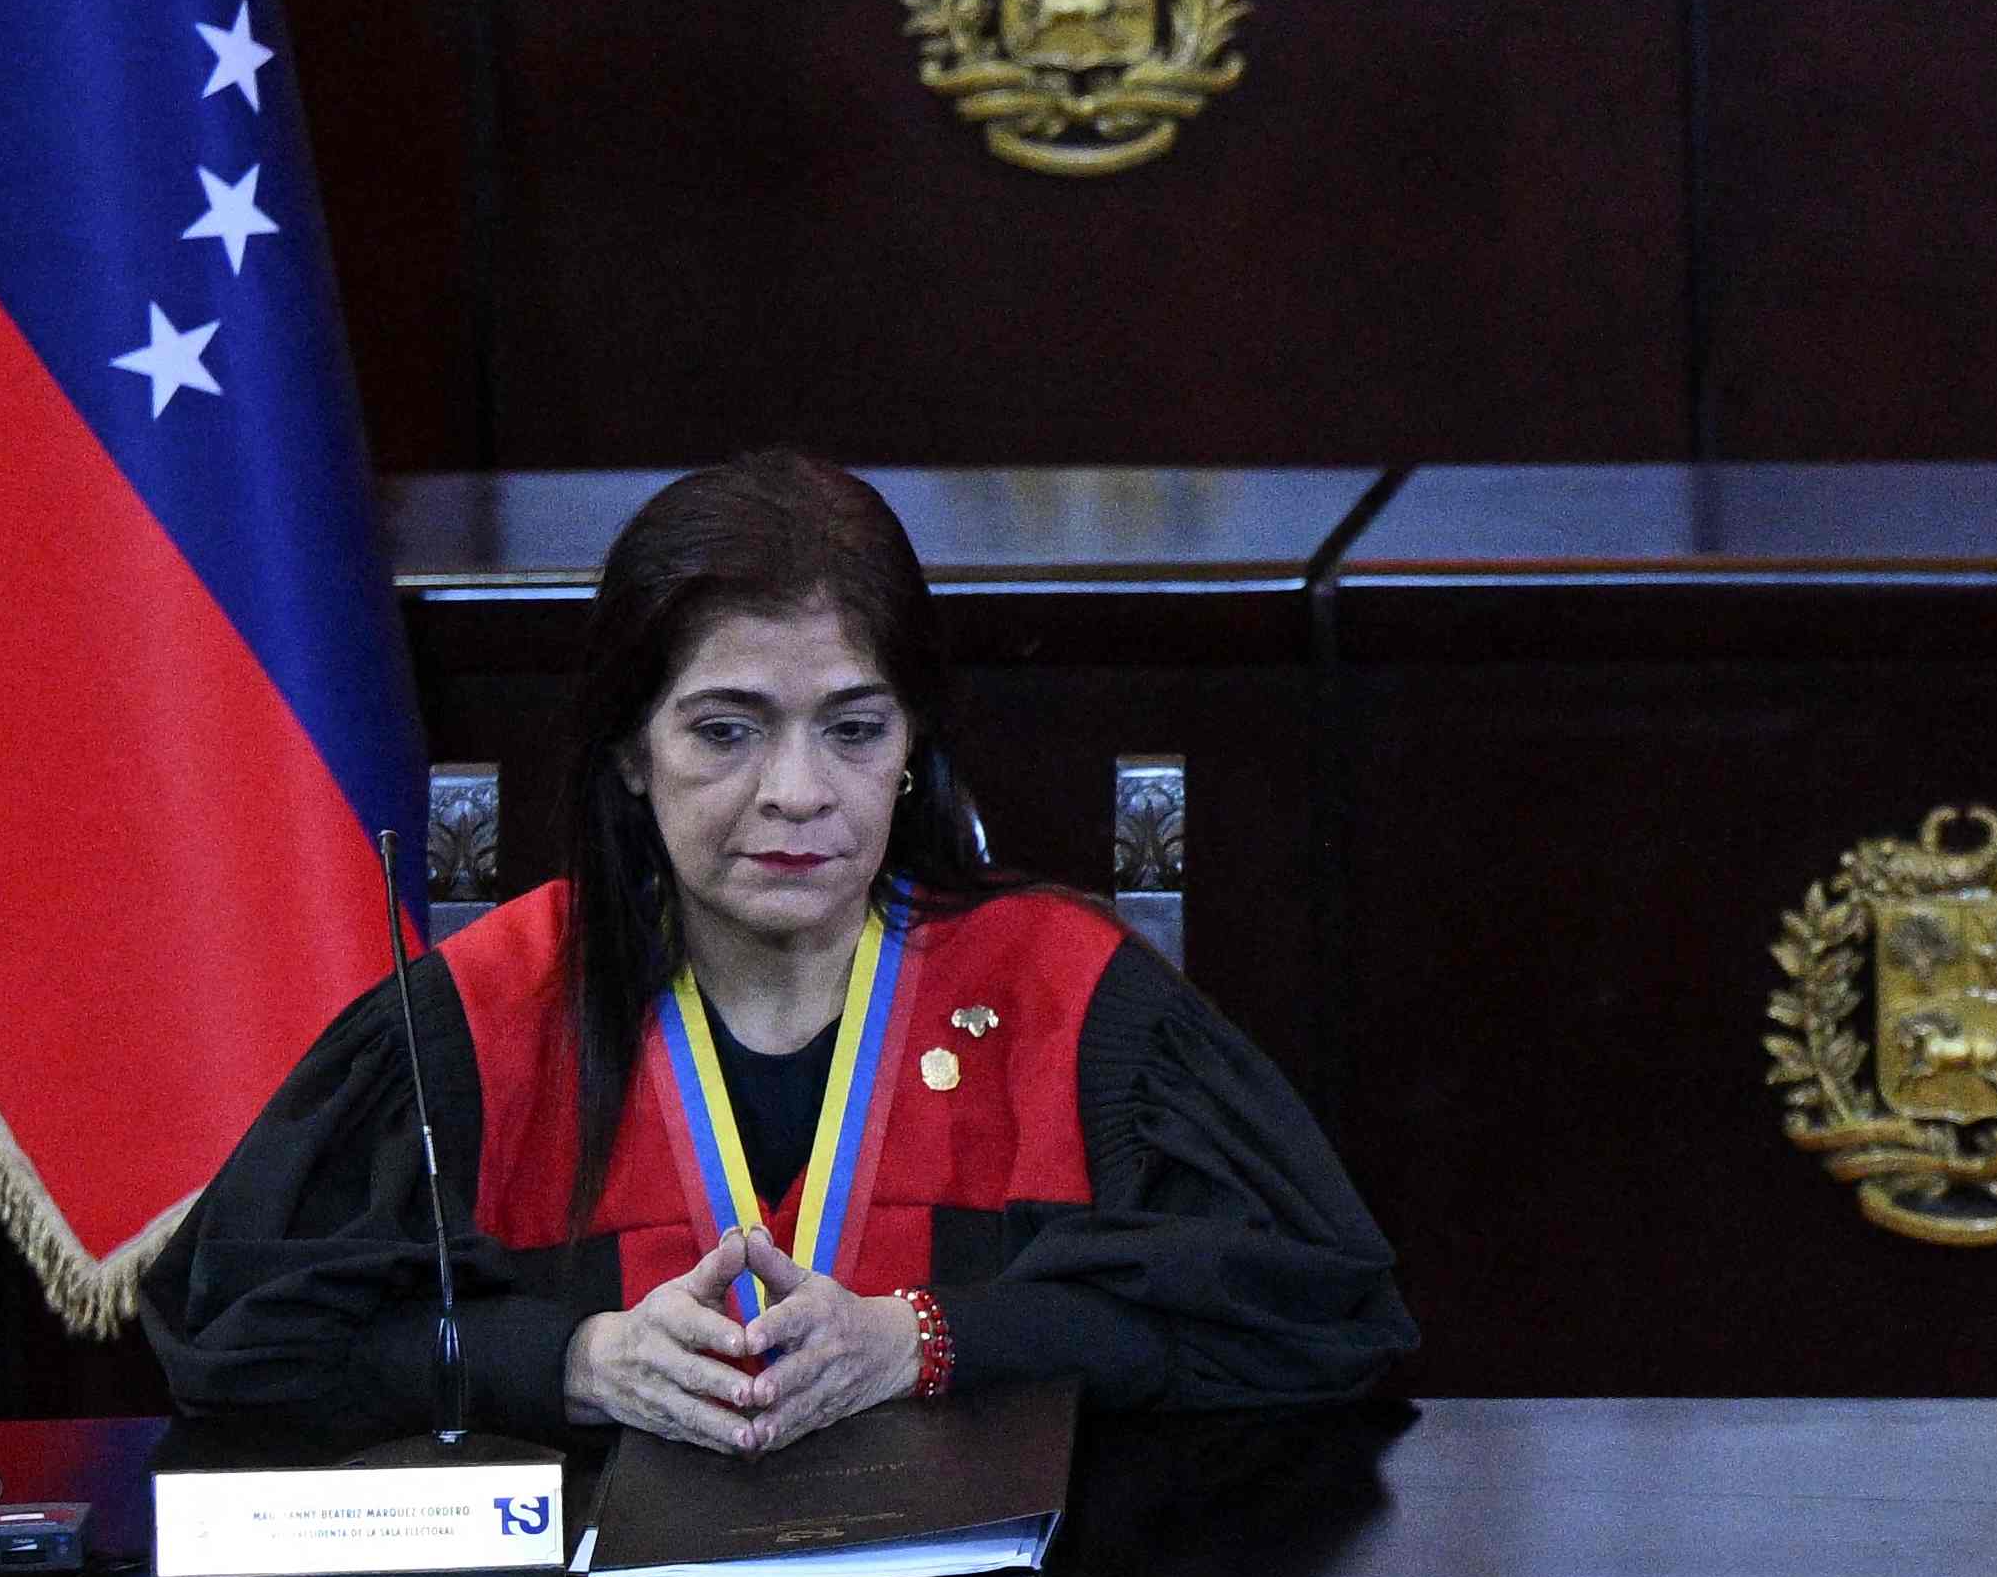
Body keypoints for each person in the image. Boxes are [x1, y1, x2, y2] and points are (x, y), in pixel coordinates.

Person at [154, 452, 1411, 1450]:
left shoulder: (1064, 998)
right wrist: (572, 1362)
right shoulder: (484, 1018)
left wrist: (932, 1339)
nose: (798, 794)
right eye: (726, 732)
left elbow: (1320, 1322)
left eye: (853, 730)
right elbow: (241, 1344)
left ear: (912, 743)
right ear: (631, 754)